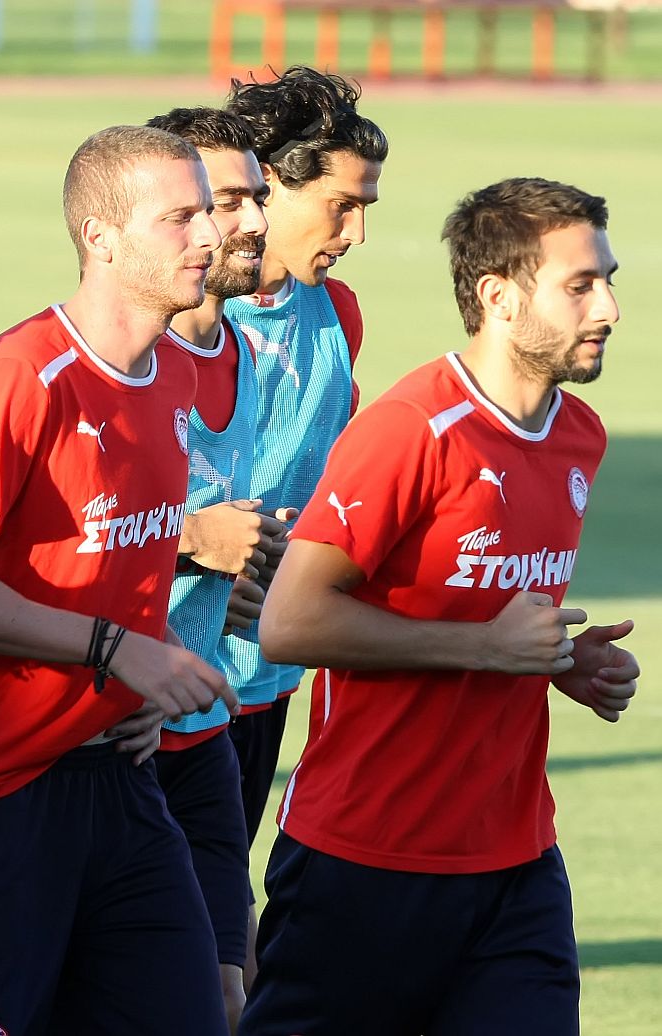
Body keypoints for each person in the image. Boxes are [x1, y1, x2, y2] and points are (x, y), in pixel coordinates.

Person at [241, 177, 638, 1035]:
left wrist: (564, 661)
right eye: (581, 285)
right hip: (364, 861)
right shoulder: (412, 429)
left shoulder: (579, 437)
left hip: (517, 859)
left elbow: (488, 613)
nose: (608, 304)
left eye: (609, 279)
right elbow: (292, 620)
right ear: (498, 296)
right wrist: (487, 648)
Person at [0, 124, 235, 1035]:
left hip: (121, 781)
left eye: (209, 214)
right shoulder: (23, 373)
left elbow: (119, 558)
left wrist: (141, 677)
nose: (209, 237)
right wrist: (118, 651)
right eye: (180, 219)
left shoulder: (168, 380)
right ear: (101, 238)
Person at [218, 65, 387, 984]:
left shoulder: (338, 317)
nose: (356, 232)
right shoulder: (182, 314)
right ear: (266, 188)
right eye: (339, 204)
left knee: (219, 911)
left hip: (266, 669)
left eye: (366, 207)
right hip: (160, 672)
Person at [143, 105, 276, 1034]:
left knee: (224, 1000)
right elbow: (21, 551)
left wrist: (247, 579)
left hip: (204, 734)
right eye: (228, 201)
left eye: (257, 199)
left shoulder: (252, 360)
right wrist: (192, 539)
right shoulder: (105, 361)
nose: (256, 224)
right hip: (95, 744)